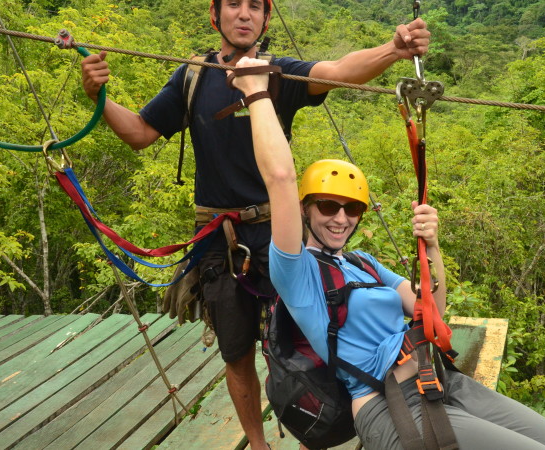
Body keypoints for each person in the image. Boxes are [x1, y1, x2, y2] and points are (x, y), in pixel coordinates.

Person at [80, 1, 430, 448]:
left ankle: (313, 436)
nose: (243, 14)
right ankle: (258, 445)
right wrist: (99, 97)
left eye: (254, 7)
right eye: (233, 4)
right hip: (218, 242)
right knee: (237, 350)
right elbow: (140, 133)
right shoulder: (192, 77)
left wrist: (394, 50)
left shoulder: (278, 74)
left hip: (278, 235)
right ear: (215, 16)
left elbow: (340, 70)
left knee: (313, 341)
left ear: (266, 19)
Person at [230, 57, 545, 449]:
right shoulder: (297, 273)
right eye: (328, 206)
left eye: (352, 210)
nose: (341, 219)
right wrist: (257, 92)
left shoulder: (362, 263)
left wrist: (433, 247)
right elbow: (280, 178)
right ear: (305, 209)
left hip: (441, 380)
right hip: (391, 404)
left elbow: (430, 311)